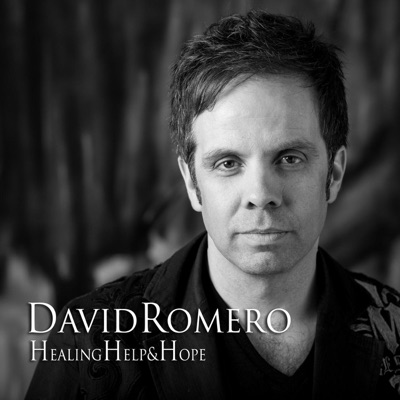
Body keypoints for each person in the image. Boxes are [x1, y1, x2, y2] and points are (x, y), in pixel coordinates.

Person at [26, 10, 400, 399]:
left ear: (334, 174)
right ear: (191, 182)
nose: (260, 194)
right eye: (228, 163)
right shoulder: (90, 341)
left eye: (290, 158)